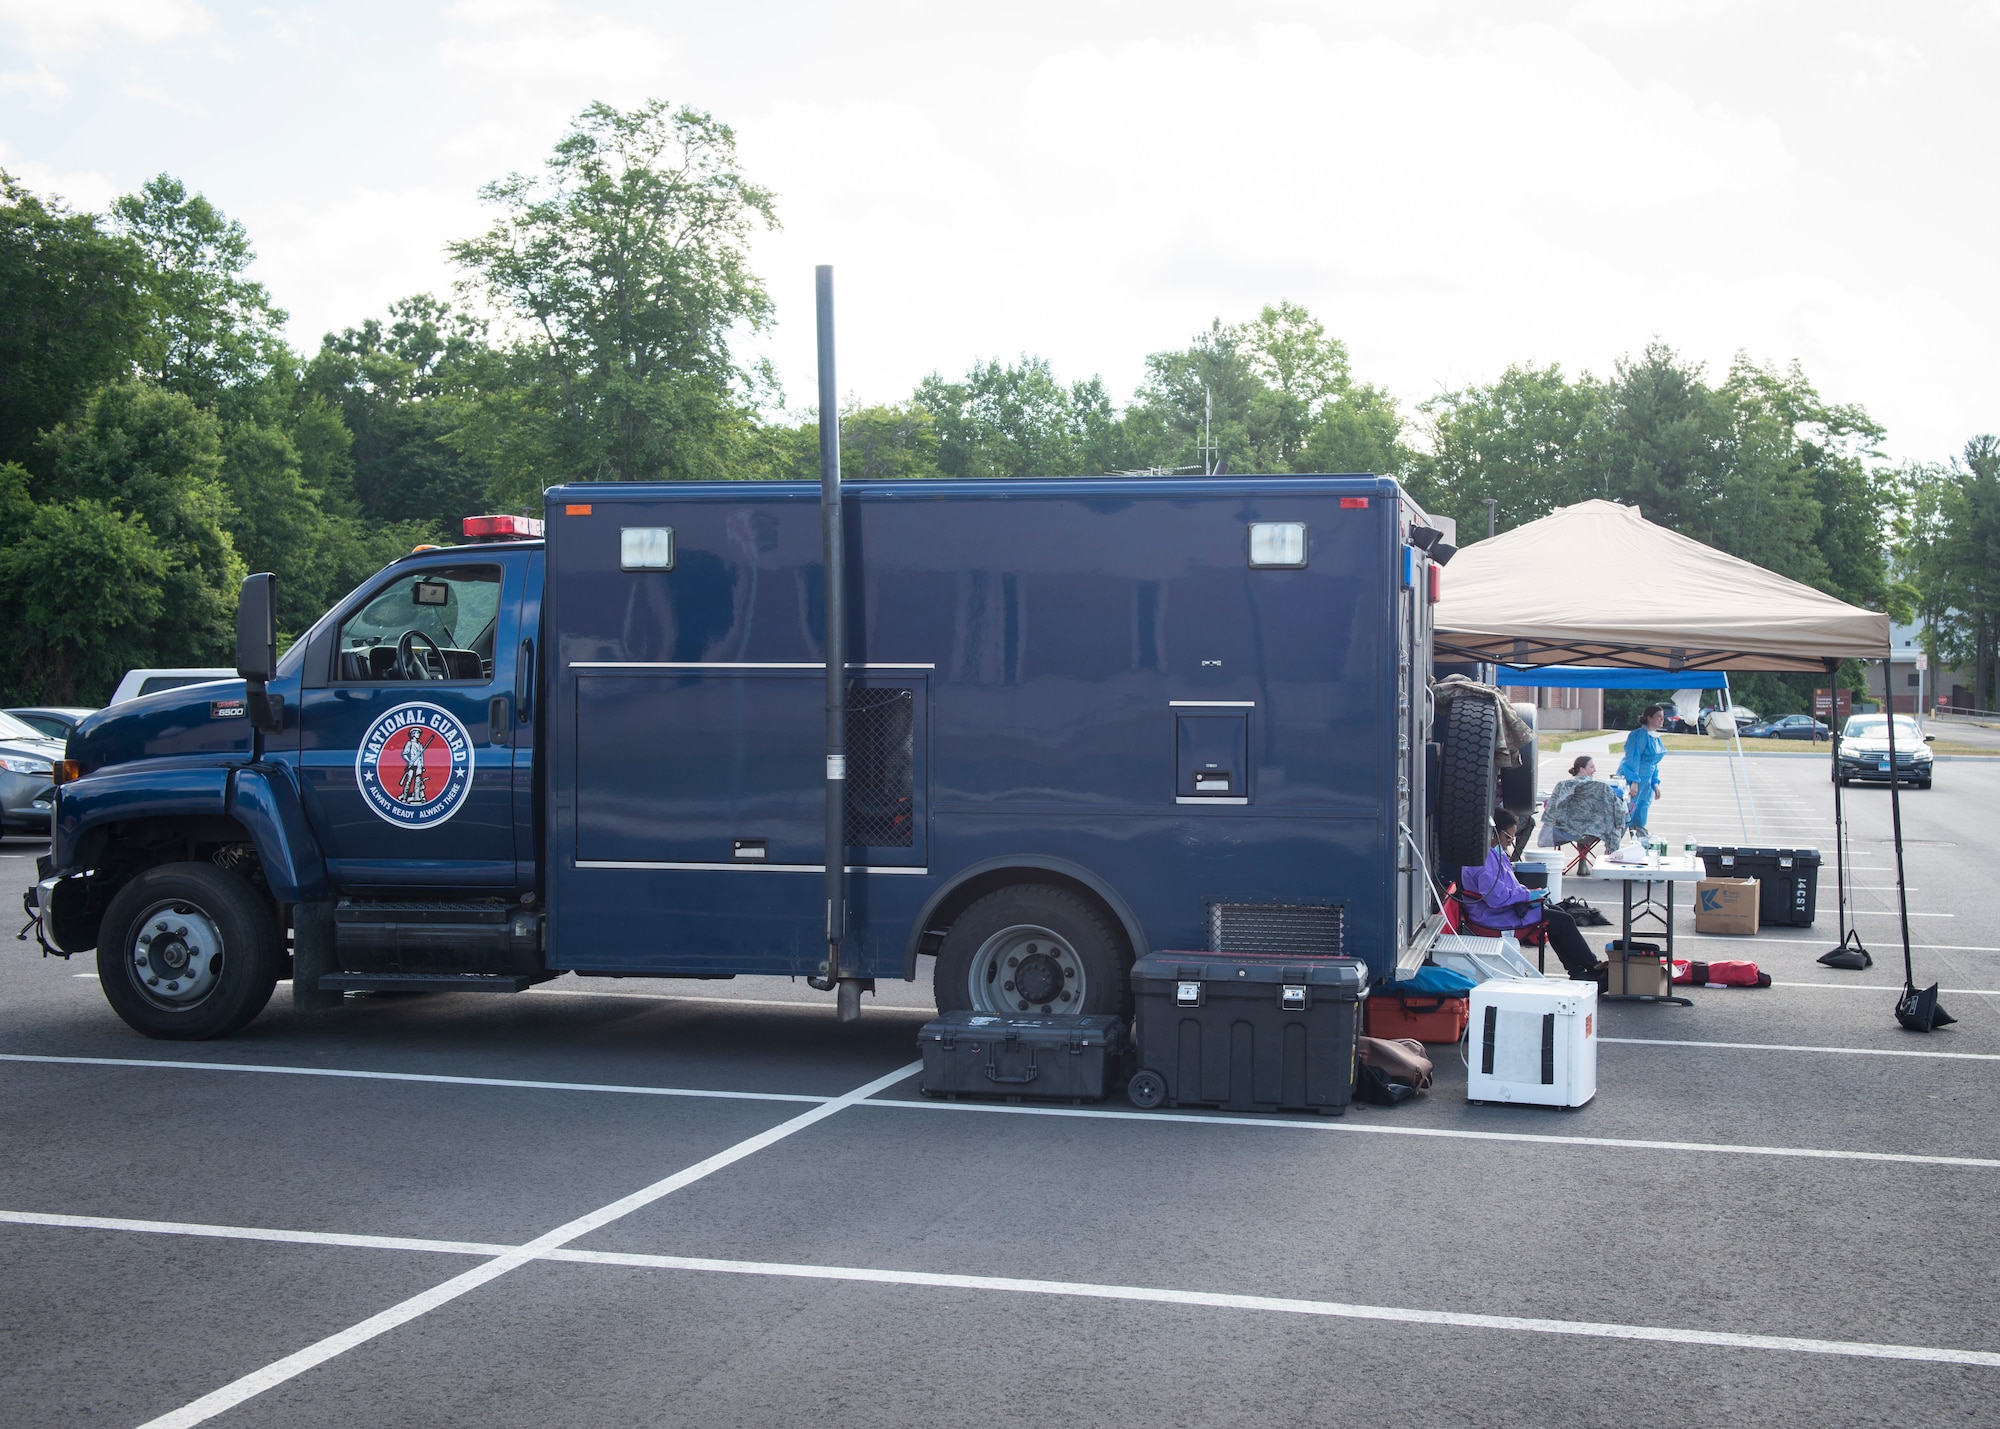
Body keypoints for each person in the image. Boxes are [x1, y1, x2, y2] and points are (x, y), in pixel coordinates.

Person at [1460, 810, 1605, 982]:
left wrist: (1527, 893)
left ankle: (1579, 970)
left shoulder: (1492, 853)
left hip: (1504, 909)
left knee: (1557, 913)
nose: (1508, 844)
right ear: (1493, 833)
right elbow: (1495, 898)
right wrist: (1526, 895)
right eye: (1508, 839)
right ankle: (1591, 966)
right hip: (1494, 917)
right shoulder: (1484, 859)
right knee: (1562, 921)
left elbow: (1507, 886)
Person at [1617, 703, 1668, 838]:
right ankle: (1612, 847)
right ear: (1649, 717)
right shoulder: (1638, 735)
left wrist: (1655, 784)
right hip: (1633, 779)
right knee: (1626, 813)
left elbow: (1654, 763)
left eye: (1663, 717)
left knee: (1641, 813)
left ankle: (1640, 846)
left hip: (1647, 783)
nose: (1662, 720)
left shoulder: (1656, 738)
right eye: (1658, 717)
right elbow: (1632, 758)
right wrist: (1634, 781)